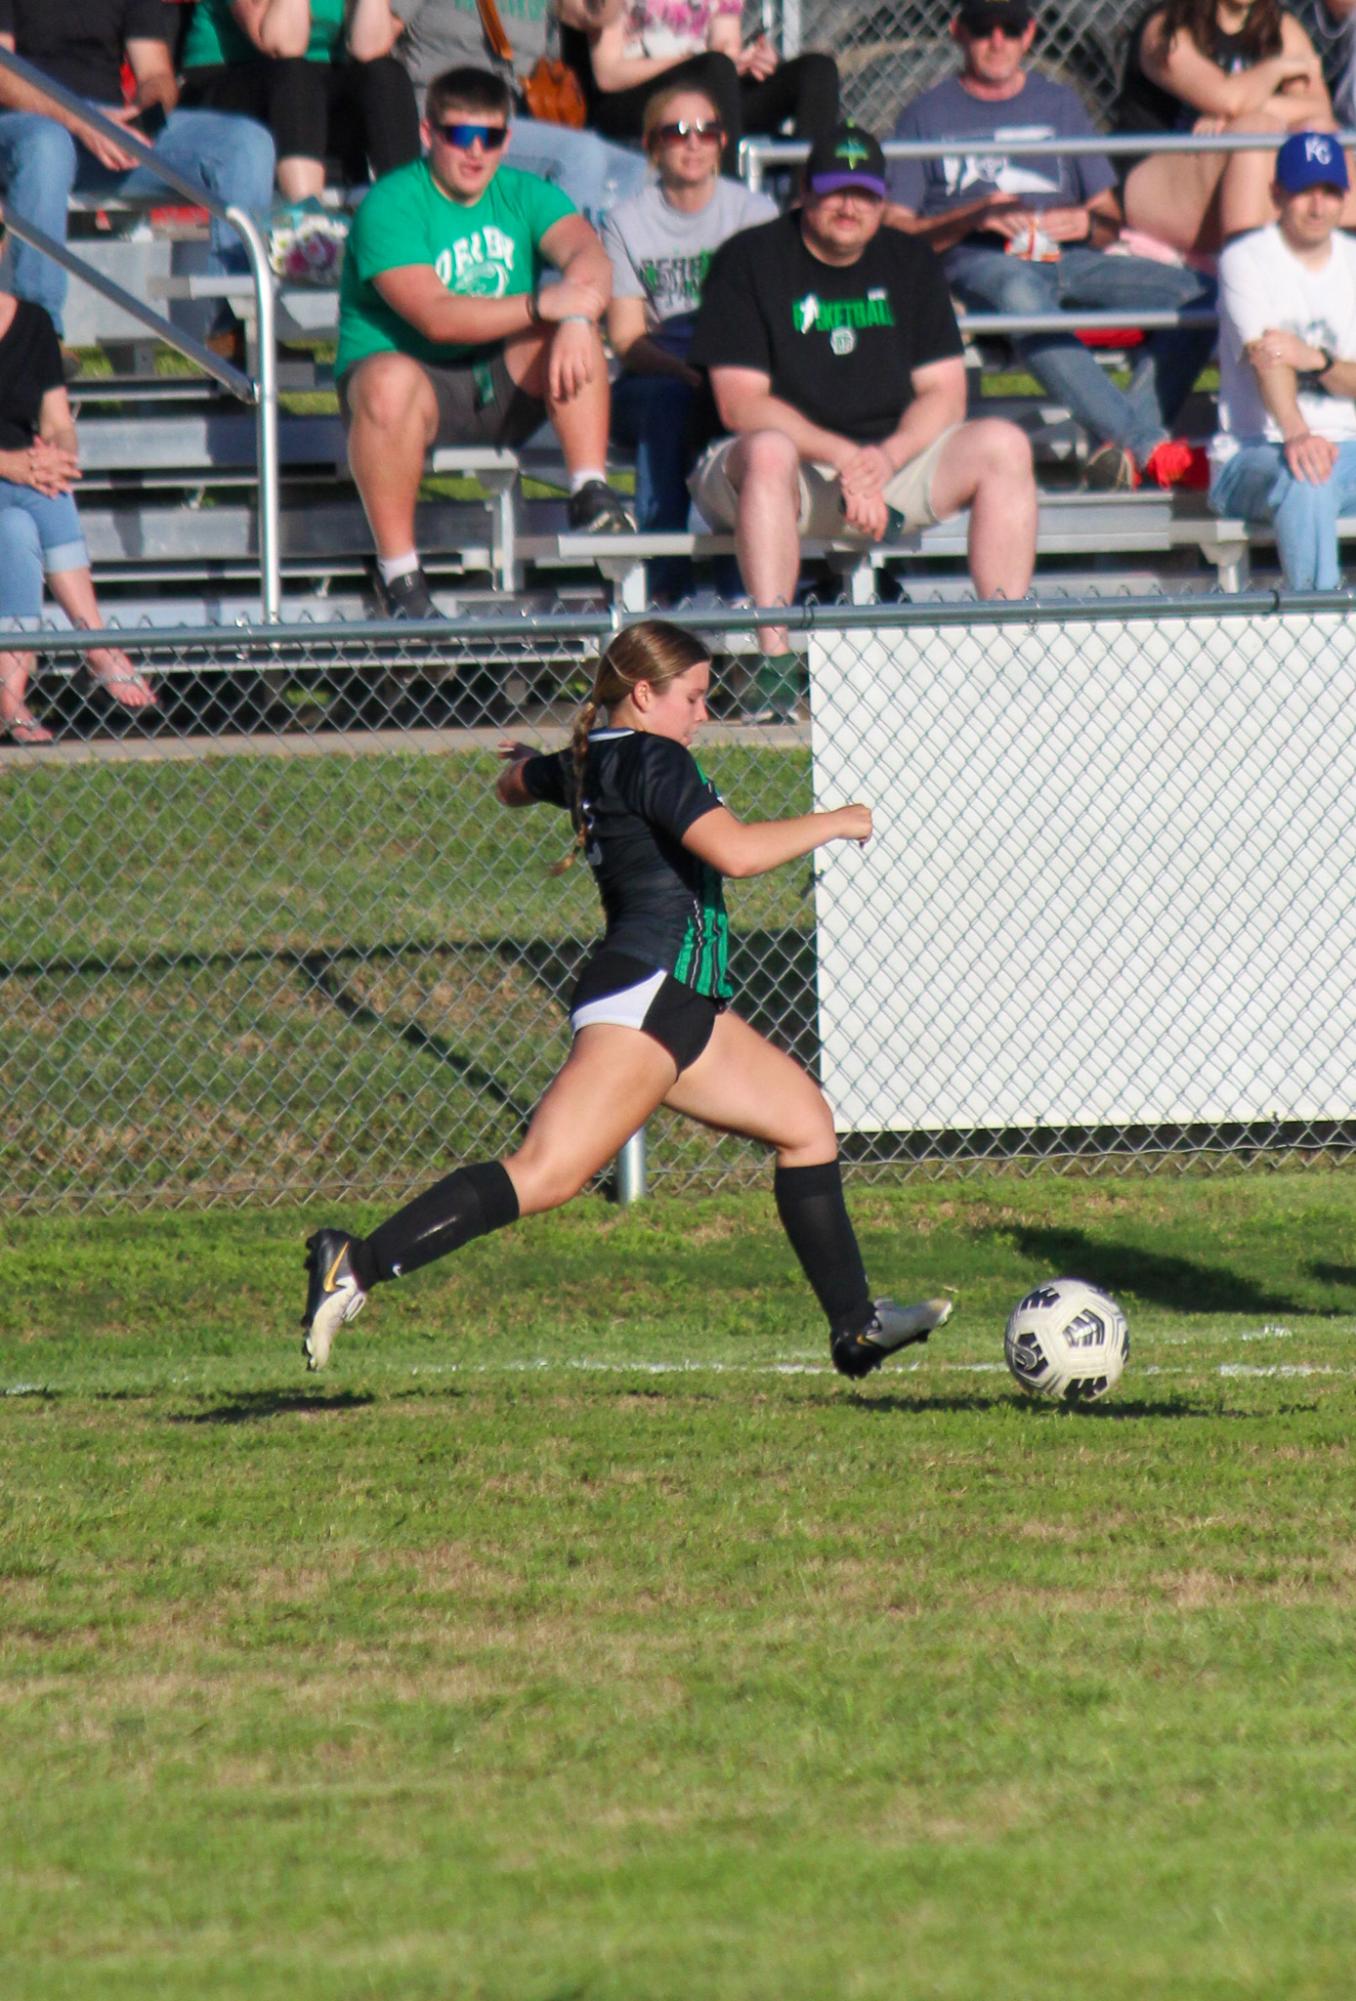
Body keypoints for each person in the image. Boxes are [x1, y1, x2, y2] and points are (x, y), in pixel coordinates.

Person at [298, 617, 954, 1380]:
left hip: (683, 1003)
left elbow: (515, 784)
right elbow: (735, 853)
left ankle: (857, 1325)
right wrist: (838, 821)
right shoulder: (651, 756)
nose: (703, 714)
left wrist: (526, 771)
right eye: (694, 697)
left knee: (806, 1124)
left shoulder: (592, 755)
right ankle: (358, 1261)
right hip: (649, 992)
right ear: (643, 693)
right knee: (547, 1171)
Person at [686, 123, 1037, 722]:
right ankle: (775, 669)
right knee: (768, 449)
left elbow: (945, 395)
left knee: (1003, 444)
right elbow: (739, 404)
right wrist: (847, 458)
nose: (849, 205)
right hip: (776, 472)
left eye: (866, 193)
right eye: (833, 189)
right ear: (804, 191)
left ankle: (1004, 656)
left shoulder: (909, 260)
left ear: (882, 200)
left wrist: (885, 460)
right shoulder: (750, 258)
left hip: (886, 465)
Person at [335, 63, 633, 621]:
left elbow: (589, 255)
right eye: (459, 136)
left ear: (508, 140)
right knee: (388, 381)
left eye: (490, 137)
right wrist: (542, 304)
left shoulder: (525, 192)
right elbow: (436, 319)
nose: (475, 152)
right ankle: (398, 576)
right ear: (428, 135)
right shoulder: (391, 202)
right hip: (412, 382)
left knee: (576, 327)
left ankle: (590, 491)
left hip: (497, 378)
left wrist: (573, 315)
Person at [886, 0, 1218, 494]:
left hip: (1066, 257)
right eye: (983, 29)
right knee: (1020, 293)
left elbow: (1109, 219)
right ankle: (1148, 446)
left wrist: (1084, 222)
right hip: (980, 261)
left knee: (1205, 296)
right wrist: (976, 216)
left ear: (1030, 34)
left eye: (1011, 28)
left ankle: (1124, 449)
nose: (997, 41)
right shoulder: (925, 112)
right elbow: (896, 231)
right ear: (958, 33)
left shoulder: (1059, 104)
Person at [0, 0, 275, 353]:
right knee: (47, 144)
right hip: (23, 126)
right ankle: (38, 336)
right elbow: (4, 74)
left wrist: (144, 113)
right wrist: (82, 121)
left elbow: (156, 73)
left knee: (244, 143)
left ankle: (236, 326)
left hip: (107, 128)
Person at [602, 80, 776, 598]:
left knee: (740, 416)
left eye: (708, 130)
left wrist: (723, 378)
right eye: (677, 132)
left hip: (737, 374)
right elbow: (628, 338)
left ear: (724, 142)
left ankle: (744, 603)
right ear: (653, 146)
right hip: (656, 379)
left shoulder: (754, 213)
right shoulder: (628, 222)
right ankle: (667, 594)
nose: (694, 142)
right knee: (669, 404)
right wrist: (686, 373)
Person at [0, 288, 156, 743]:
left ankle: (8, 694)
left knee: (20, 523)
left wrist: (60, 457)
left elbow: (58, 423)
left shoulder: (33, 322)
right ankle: (99, 647)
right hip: (13, 472)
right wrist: (12, 464)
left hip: (23, 481)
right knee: (38, 499)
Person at [1209, 130, 1356, 587]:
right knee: (1306, 476)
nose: (1318, 206)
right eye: (1304, 192)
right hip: (1254, 454)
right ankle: (1318, 634)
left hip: (1349, 453)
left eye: (1330, 192)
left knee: (1314, 471)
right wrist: (1297, 434)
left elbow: (1298, 356)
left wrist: (1317, 360)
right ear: (1277, 194)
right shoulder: (1246, 259)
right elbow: (1267, 355)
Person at [394, 0, 650, 223]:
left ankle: (613, 269)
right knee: (581, 154)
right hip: (444, 121)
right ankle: (563, 273)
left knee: (634, 166)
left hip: (507, 122)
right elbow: (370, 44)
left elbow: (593, 15)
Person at [1117, 0, 1333, 257]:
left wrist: (1239, 116)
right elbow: (1228, 99)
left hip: (1240, 170)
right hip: (1155, 182)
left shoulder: (1281, 26)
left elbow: (1317, 108)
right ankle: (1249, 274)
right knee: (1254, 132)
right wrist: (1277, 67)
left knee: (1321, 133)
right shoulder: (1166, 28)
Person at [178, 0, 421, 201]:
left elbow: (370, 48)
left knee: (388, 74)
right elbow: (283, 44)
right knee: (295, 75)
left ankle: (404, 212)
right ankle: (306, 222)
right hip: (229, 84)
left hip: (311, 94)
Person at [562, 0, 838, 171]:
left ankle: (809, 192)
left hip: (709, 87)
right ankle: (729, 197)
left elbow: (725, 44)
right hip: (632, 97)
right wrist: (696, 61)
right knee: (715, 69)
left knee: (817, 70)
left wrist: (753, 61)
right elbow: (608, 74)